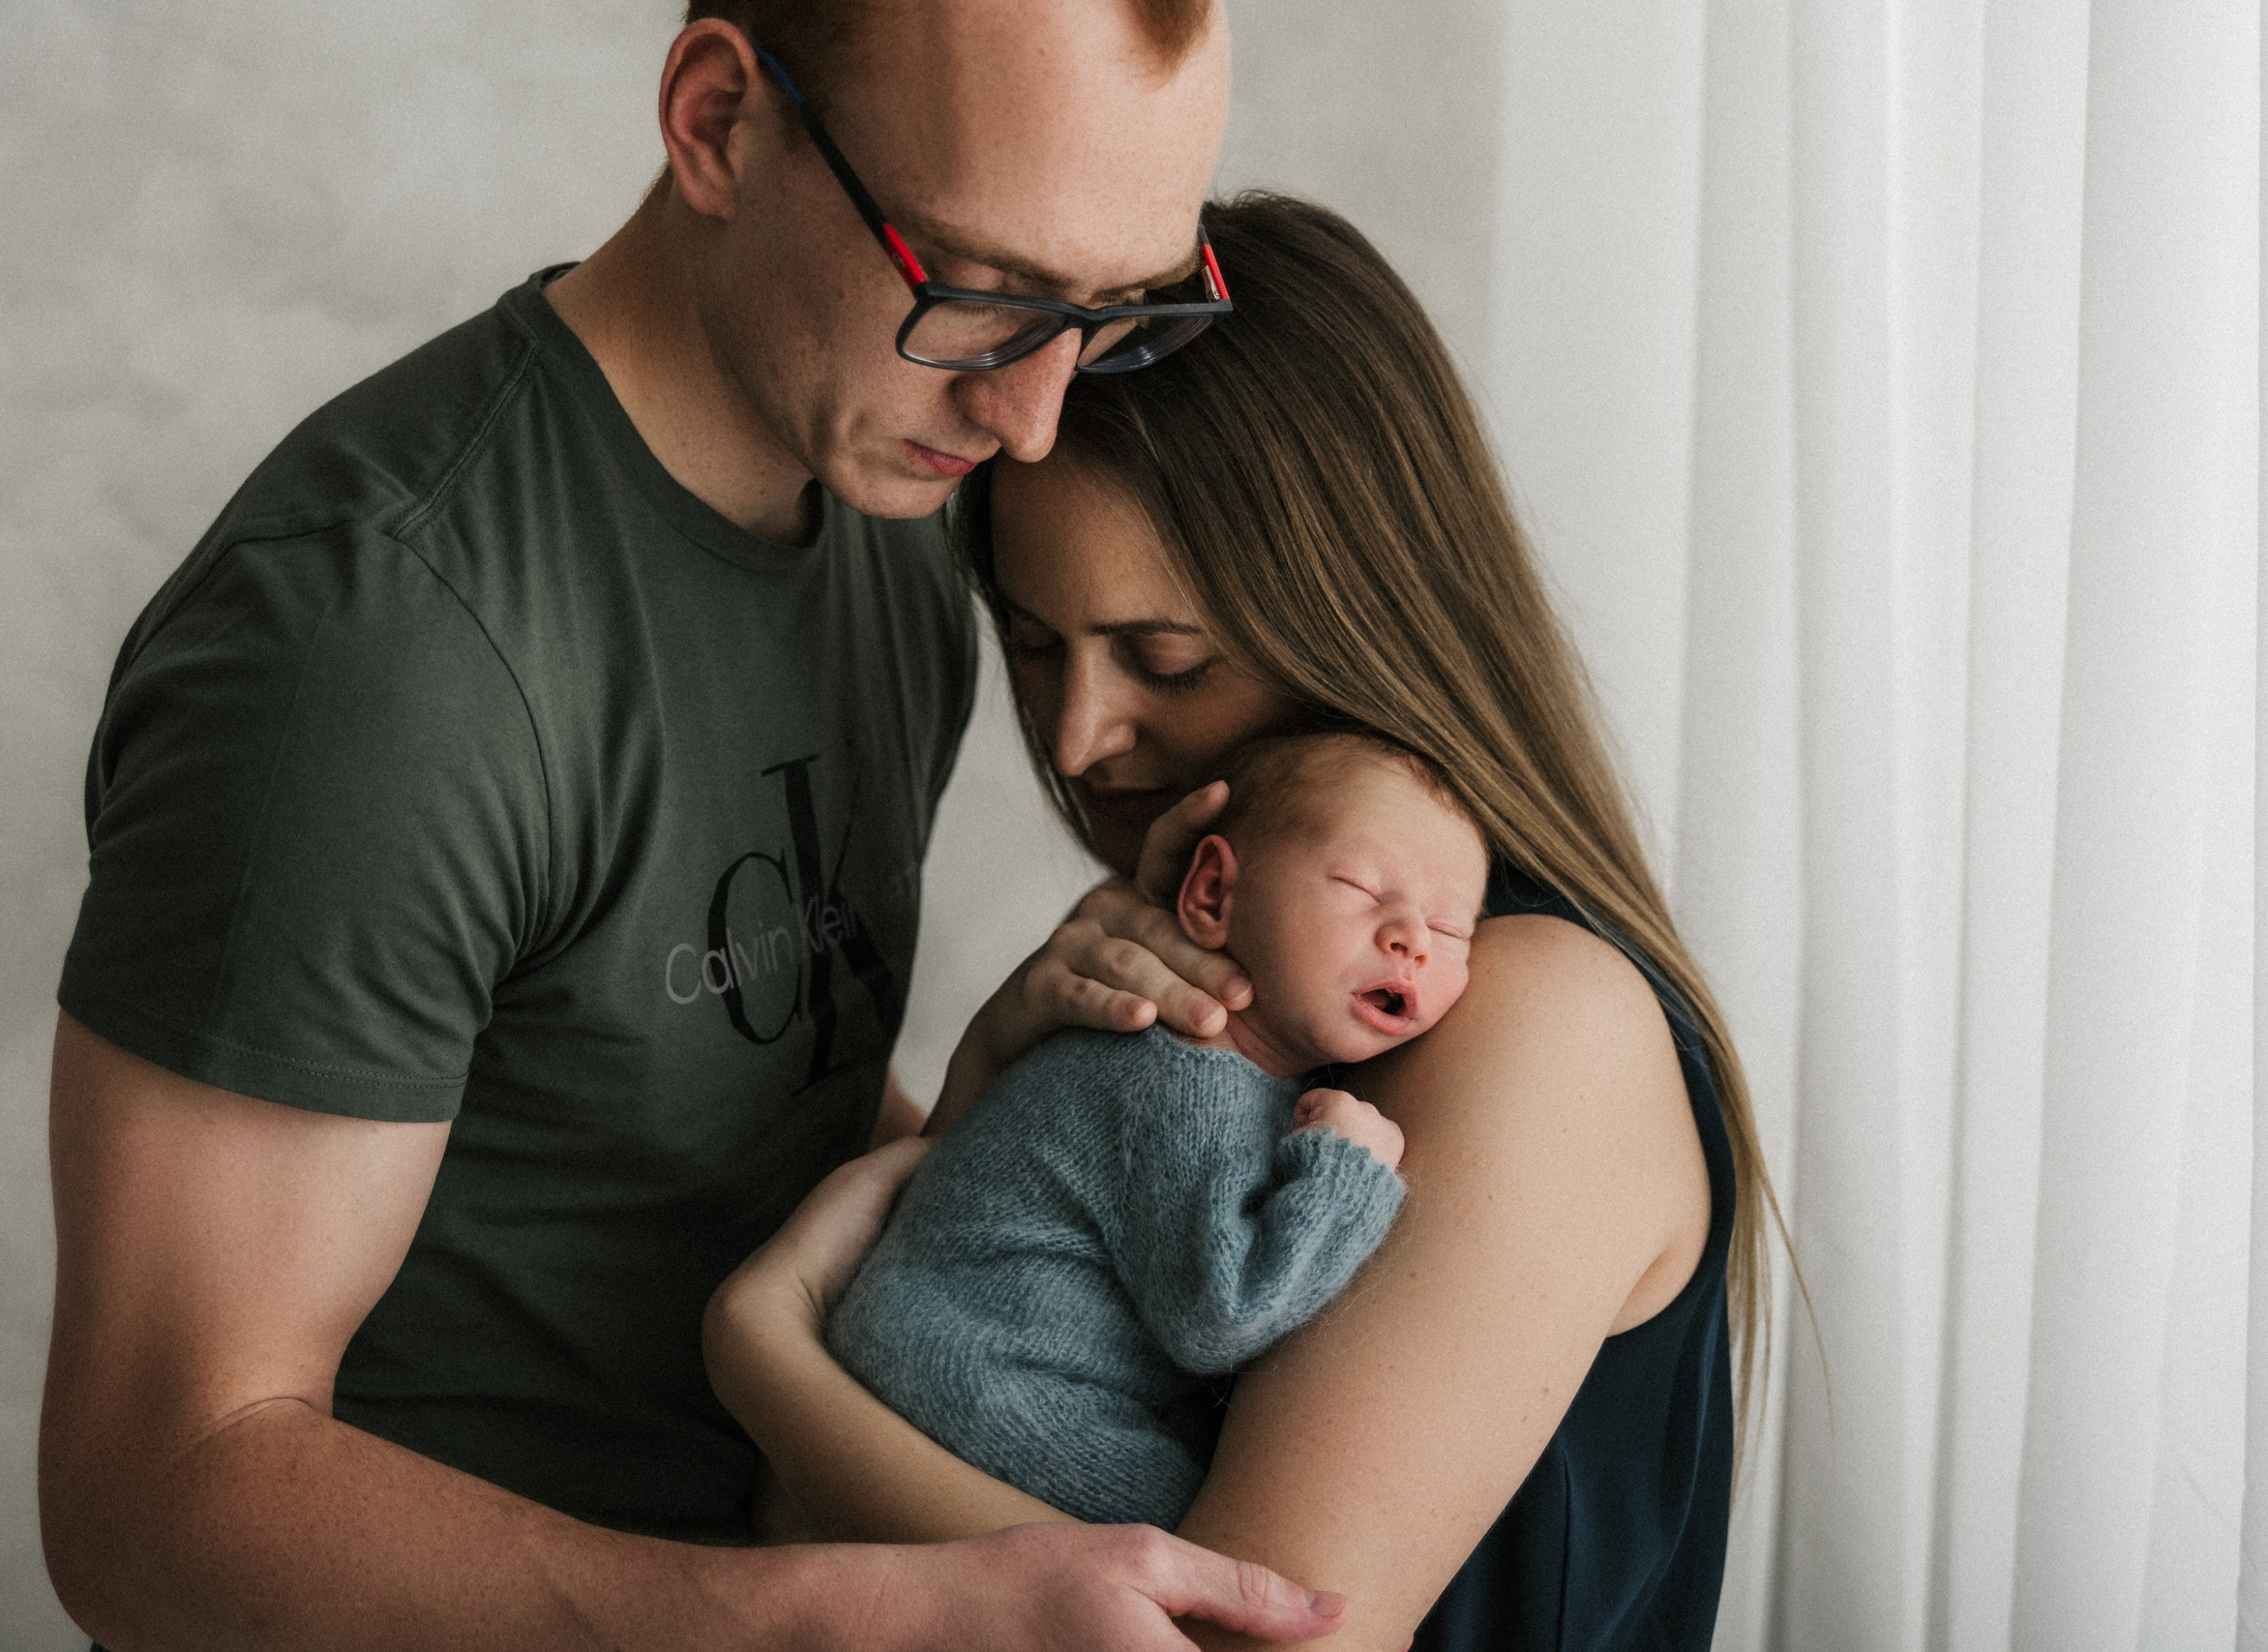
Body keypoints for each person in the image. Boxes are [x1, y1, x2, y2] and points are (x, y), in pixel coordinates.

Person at [38, 5, 1356, 1649]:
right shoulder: (372, 655)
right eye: (980, 290)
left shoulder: (890, 517)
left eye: (1112, 315)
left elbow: (702, 1097)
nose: (1032, 418)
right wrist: (869, 1614)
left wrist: (998, 1106)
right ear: (718, 119)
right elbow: (153, 1501)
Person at [704, 192, 1790, 1651]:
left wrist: (768, 1360)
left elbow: (1245, 1633)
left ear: (1359, 616)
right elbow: (998, 1340)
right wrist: (985, 1071)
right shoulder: (1231, 988)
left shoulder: (1538, 1020)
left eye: (1161, 656)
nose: (1080, 734)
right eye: (1033, 643)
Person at [804, 732, 1487, 1531]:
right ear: (1211, 896)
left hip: (969, 1353)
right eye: (1363, 889)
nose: (1410, 937)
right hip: (973, 1374)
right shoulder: (1181, 1073)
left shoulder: (1231, 1068)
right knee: (1227, 1546)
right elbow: (1221, 1313)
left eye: (1449, 929)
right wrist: (1346, 1169)